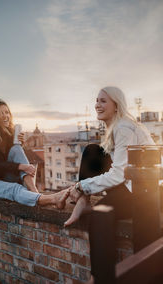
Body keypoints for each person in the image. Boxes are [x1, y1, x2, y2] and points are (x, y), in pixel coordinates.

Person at [64, 86, 155, 284]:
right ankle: (83, 202)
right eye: (97, 100)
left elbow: (119, 175)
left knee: (99, 215)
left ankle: (97, 278)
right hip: (133, 185)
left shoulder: (123, 127)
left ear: (116, 105)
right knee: (93, 150)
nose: (98, 105)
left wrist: (80, 186)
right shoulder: (117, 127)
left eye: (103, 101)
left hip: (142, 194)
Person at [0, 100, 69, 209]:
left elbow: (13, 157)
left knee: (16, 148)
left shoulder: (9, 134)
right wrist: (21, 166)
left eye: (7, 112)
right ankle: (51, 199)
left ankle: (34, 192)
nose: (6, 116)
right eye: (1, 113)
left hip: (3, 178)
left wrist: (20, 143)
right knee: (14, 188)